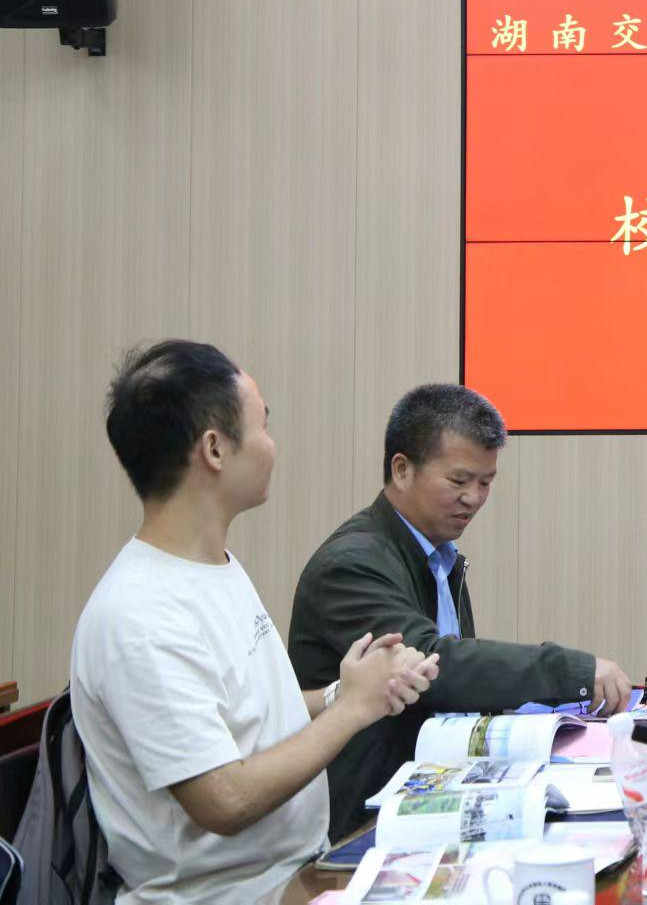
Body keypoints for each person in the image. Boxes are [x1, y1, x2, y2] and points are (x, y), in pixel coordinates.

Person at [70, 341, 438, 903]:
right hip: (227, 894)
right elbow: (225, 799)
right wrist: (354, 710)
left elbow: (245, 715)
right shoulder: (139, 615)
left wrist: (344, 691)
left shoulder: (211, 566)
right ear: (215, 449)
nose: (271, 444)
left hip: (293, 868)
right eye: (263, 424)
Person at [288, 383, 634, 839]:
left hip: (426, 788)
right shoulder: (352, 564)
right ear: (402, 469)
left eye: (486, 482)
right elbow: (435, 664)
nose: (474, 497)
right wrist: (569, 670)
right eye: (459, 481)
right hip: (361, 817)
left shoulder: (437, 555)